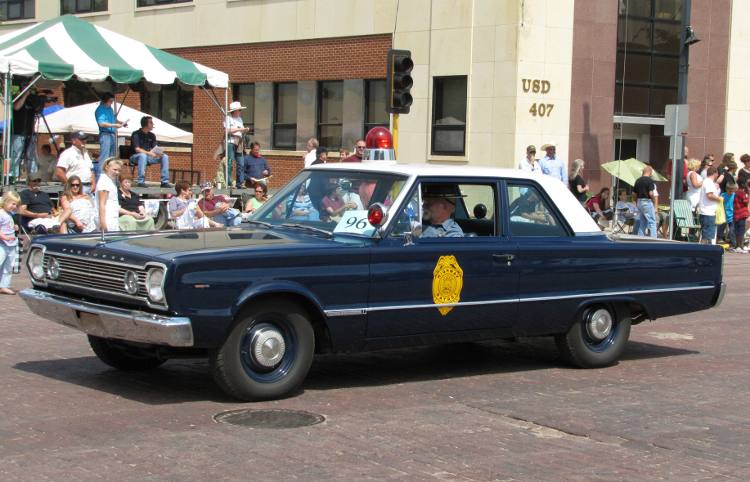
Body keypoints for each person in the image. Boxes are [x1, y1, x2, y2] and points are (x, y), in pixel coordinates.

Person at [130, 116, 171, 188]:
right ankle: (141, 181)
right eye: (151, 122)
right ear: (146, 124)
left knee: (165, 156)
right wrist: (149, 153)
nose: (153, 124)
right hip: (135, 157)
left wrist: (159, 153)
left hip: (148, 157)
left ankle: (164, 182)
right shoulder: (136, 134)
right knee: (143, 155)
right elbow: (137, 149)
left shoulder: (152, 135)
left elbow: (155, 147)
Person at [9, 86, 41, 180]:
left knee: (31, 156)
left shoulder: (32, 100)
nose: (30, 91)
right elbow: (16, 107)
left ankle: (33, 177)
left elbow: (38, 109)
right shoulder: (16, 97)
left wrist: (39, 100)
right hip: (18, 132)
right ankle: (13, 176)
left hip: (30, 132)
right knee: (16, 155)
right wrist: (25, 95)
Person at [95, 93, 127, 177]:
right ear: (106, 101)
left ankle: (111, 176)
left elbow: (113, 119)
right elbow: (101, 123)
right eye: (110, 101)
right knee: (104, 157)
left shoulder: (110, 109)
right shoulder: (100, 110)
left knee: (112, 157)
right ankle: (101, 176)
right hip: (105, 134)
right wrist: (114, 125)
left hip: (112, 134)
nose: (112, 103)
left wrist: (121, 123)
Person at [225, 101, 250, 187]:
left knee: (241, 163)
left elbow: (241, 130)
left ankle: (240, 183)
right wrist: (239, 129)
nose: (240, 111)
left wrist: (245, 130)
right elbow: (227, 130)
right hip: (231, 141)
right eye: (239, 110)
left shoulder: (240, 119)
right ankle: (228, 182)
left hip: (239, 141)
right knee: (230, 162)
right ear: (234, 111)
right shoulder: (228, 118)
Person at [0, 191, 19, 295]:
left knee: (8, 266)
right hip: (2, 244)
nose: (14, 206)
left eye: (16, 204)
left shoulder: (10, 214)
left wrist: (15, 227)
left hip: (11, 244)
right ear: (5, 202)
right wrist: (4, 237)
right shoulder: (1, 213)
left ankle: (4, 285)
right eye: (13, 203)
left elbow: (9, 225)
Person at [96, 158, 122, 232]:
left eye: (119, 170)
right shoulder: (104, 181)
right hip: (107, 220)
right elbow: (102, 204)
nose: (117, 172)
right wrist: (103, 223)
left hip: (112, 218)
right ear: (107, 168)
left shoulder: (110, 181)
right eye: (114, 169)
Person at [633, 166, 658, 238]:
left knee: (643, 222)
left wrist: (635, 201)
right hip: (647, 202)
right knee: (652, 222)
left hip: (639, 202)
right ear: (650, 172)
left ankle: (640, 239)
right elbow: (651, 193)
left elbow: (634, 194)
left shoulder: (637, 180)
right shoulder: (650, 181)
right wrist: (653, 201)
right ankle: (654, 239)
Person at [698, 166, 721, 244]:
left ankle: (704, 250)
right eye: (717, 174)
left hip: (706, 211)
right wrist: (719, 199)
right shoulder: (708, 182)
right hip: (708, 212)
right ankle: (705, 251)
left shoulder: (707, 182)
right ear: (715, 173)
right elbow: (710, 195)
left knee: (706, 234)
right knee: (708, 235)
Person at [719, 182, 738, 247]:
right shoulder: (723, 195)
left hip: (732, 216)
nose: (731, 192)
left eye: (732, 191)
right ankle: (719, 238)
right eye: (730, 191)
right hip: (724, 215)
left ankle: (734, 243)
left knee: (732, 231)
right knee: (721, 227)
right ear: (726, 189)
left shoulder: (735, 196)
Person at [733, 180, 749, 252]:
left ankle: (737, 246)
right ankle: (741, 246)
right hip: (742, 214)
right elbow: (745, 201)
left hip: (736, 214)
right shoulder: (743, 193)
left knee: (737, 230)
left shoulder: (736, 192)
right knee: (741, 231)